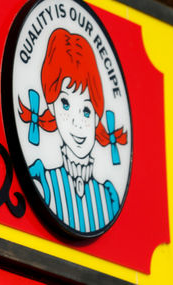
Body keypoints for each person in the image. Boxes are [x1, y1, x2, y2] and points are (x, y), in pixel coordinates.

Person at [18, 28, 127, 234]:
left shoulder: (108, 197)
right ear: (52, 107)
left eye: (86, 109)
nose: (78, 122)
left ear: (97, 115)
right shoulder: (44, 182)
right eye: (65, 104)